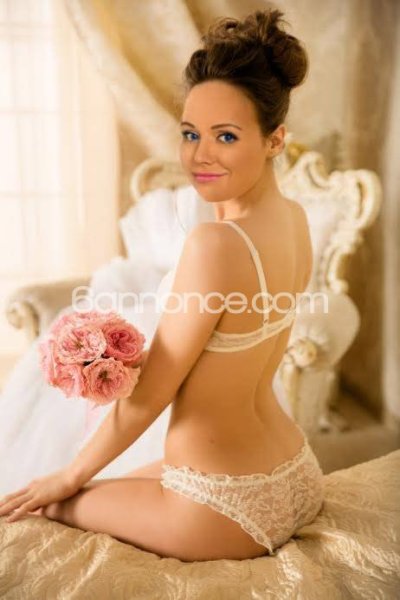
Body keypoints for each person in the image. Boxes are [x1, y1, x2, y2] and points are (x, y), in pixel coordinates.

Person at [0, 8, 324, 561]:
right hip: (295, 472)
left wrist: (67, 476)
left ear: (275, 140)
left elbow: (152, 394)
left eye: (225, 136)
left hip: (224, 505)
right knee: (93, 485)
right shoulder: (293, 218)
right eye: (190, 134)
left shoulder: (215, 245)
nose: (199, 156)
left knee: (46, 506)